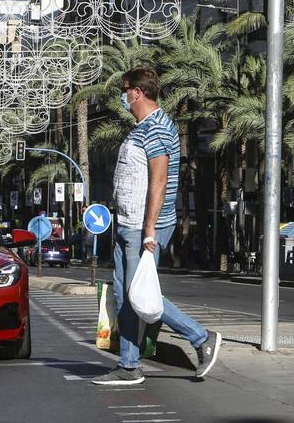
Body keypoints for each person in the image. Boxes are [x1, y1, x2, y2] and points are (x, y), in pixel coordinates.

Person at [92, 67, 222, 386]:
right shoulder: (141, 127)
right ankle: (128, 365)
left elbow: (159, 182)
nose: (122, 97)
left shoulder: (159, 128)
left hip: (142, 226)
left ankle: (201, 337)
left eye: (125, 90)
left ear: (137, 92)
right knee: (125, 297)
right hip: (126, 224)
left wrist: (150, 228)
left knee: (142, 296)